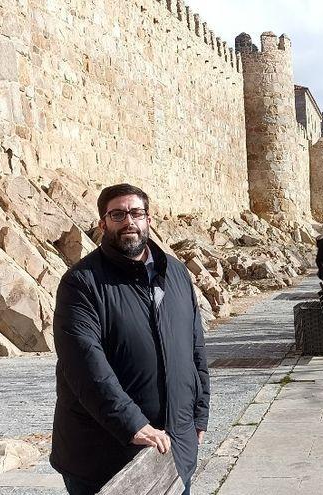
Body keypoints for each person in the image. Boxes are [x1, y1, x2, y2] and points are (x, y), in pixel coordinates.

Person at [50, 184, 209, 495]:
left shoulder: (176, 274)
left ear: (148, 219)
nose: (128, 222)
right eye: (117, 214)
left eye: (136, 213)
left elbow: (195, 349)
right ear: (103, 224)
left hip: (172, 450)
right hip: (102, 458)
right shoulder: (81, 283)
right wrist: (132, 424)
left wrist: (199, 414)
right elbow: (84, 363)